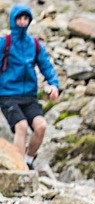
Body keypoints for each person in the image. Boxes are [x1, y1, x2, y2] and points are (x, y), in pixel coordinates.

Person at [0, 4, 59, 171]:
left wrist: (54, 84)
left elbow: (46, 66)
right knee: (22, 126)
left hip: (30, 96)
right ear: (13, 20)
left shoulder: (34, 44)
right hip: (8, 95)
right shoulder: (4, 43)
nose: (22, 22)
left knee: (41, 126)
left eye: (26, 18)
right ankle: (18, 169)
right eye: (19, 18)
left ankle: (28, 160)